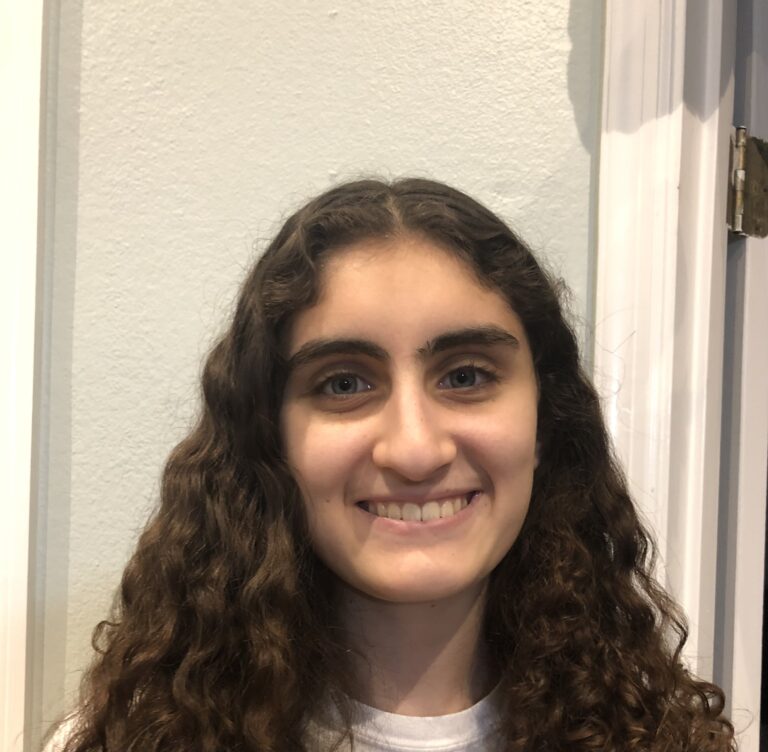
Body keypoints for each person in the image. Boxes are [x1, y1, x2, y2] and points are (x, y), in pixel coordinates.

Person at [47, 178, 735, 751]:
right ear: (270, 437)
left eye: (466, 376)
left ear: (544, 422)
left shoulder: (657, 736)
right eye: (345, 383)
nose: (414, 450)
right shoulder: (128, 737)